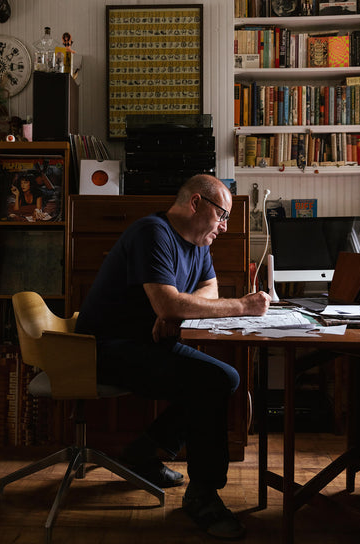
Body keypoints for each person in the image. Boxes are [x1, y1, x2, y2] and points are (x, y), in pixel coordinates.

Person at [75, 174, 271, 539]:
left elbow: (208, 288)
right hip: (106, 349)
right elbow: (168, 301)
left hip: (145, 344)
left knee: (225, 378)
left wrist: (175, 311)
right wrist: (242, 306)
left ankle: (144, 452)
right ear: (196, 203)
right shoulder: (152, 233)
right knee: (211, 381)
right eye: (222, 215)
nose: (225, 227)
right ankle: (203, 495)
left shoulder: (198, 241)